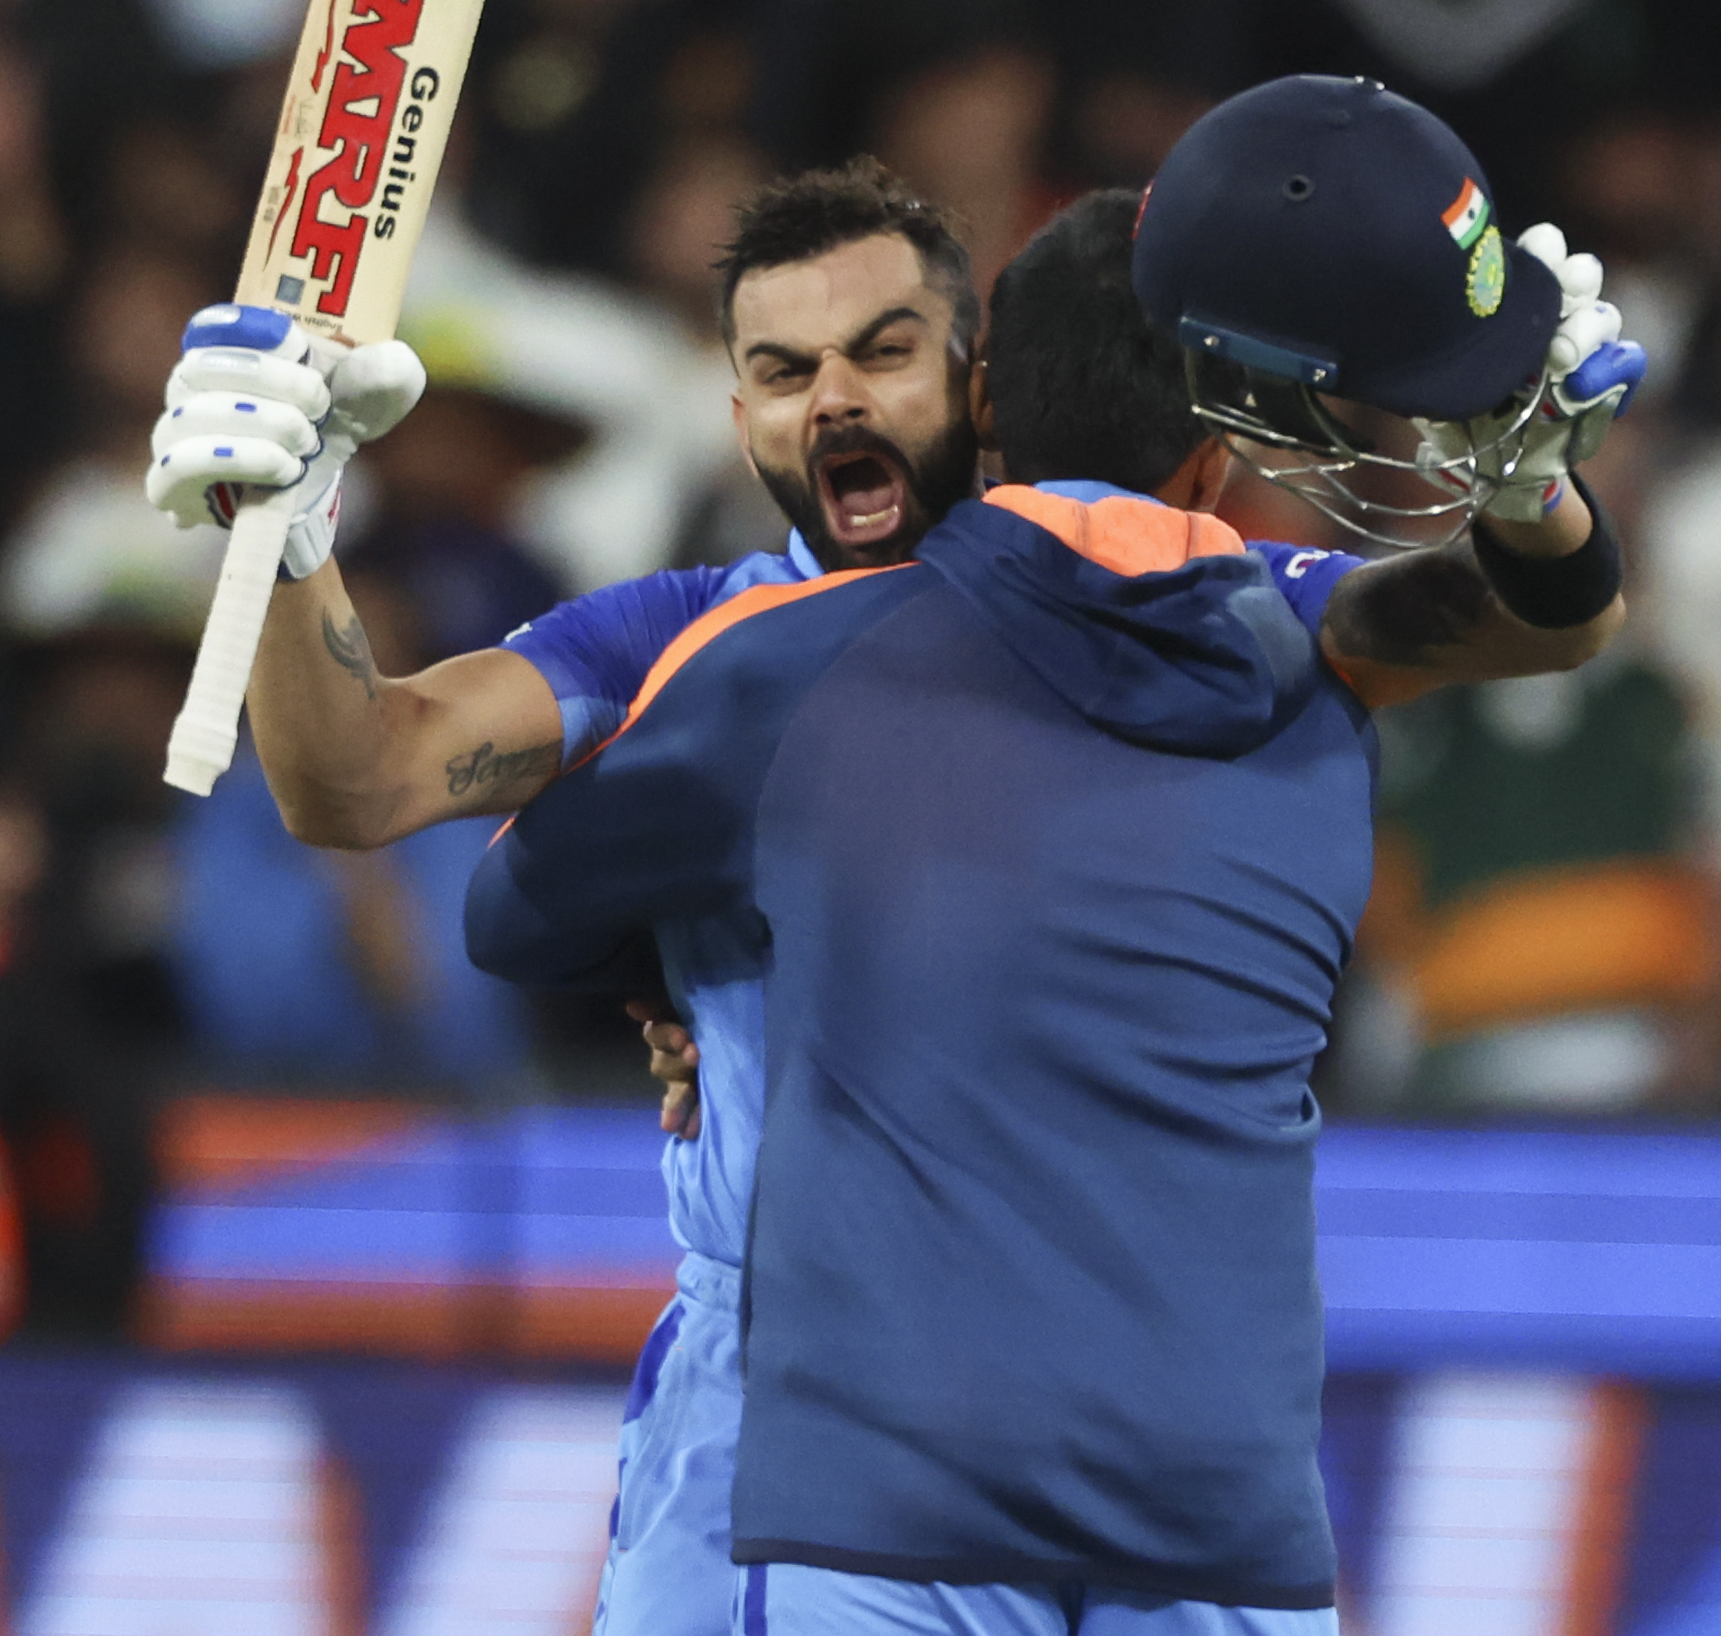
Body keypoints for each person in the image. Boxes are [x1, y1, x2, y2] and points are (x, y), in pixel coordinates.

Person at [141, 87, 1632, 1636]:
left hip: (1008, 1430)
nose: (835, 404)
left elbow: (1531, 614)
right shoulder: (689, 638)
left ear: (982, 387)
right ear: (737, 417)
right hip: (798, 1393)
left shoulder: (1198, 602)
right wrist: (294, 527)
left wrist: (1527, 479)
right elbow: (358, 779)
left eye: (882, 352)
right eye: (783, 374)